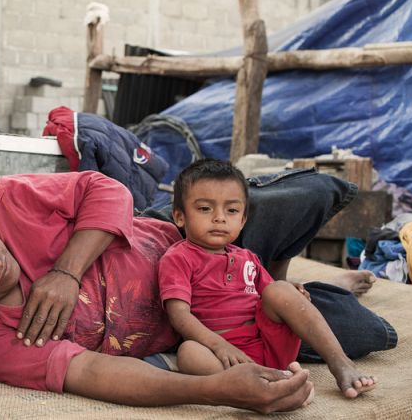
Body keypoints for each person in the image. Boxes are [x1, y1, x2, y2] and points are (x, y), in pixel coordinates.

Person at [0, 169, 393, 412]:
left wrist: (66, 271)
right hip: (218, 323)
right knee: (371, 334)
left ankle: (275, 267)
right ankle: (299, 284)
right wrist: (213, 391)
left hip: (196, 245)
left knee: (318, 193)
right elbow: (92, 371)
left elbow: (107, 190)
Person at [159, 159, 376, 398]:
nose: (219, 218)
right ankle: (263, 385)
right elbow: (179, 316)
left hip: (269, 343)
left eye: (231, 210)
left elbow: (270, 295)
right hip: (222, 356)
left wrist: (292, 295)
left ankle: (339, 362)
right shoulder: (177, 258)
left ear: (243, 221)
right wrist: (218, 345)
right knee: (188, 353)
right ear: (179, 216)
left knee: (280, 290)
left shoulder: (247, 257)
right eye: (204, 209)